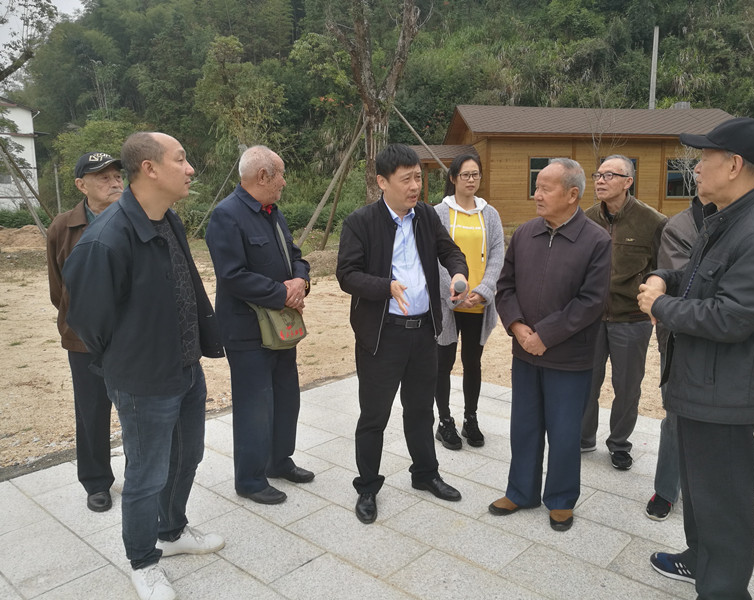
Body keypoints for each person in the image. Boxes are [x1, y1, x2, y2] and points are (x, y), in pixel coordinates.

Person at [63, 132, 226, 600]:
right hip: (142, 379)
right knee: (146, 475)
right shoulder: (106, 240)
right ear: (150, 169)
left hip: (185, 367)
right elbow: (88, 322)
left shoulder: (166, 219)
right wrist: (128, 358)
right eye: (181, 159)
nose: (190, 168)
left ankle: (171, 531)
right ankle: (143, 560)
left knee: (188, 456)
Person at [638, 117, 754, 598]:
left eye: (705, 157)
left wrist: (659, 306)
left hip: (726, 393)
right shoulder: (727, 217)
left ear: (733, 165)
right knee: (702, 493)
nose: (696, 167)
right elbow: (700, 279)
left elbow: (733, 316)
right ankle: (698, 559)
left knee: (723, 506)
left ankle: (723, 588)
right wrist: (665, 277)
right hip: (702, 384)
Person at [336, 143, 469, 524]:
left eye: (418, 178)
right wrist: (385, 286)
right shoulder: (360, 222)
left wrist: (458, 274)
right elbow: (347, 274)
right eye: (406, 179)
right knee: (374, 415)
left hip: (423, 332)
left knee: (421, 409)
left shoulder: (425, 215)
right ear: (382, 182)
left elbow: (450, 251)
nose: (415, 186)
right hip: (383, 336)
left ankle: (425, 473)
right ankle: (367, 486)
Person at [489, 158, 611, 532]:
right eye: (536, 186)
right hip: (525, 352)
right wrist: (518, 327)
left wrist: (545, 335)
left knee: (564, 432)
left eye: (545, 188)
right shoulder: (525, 234)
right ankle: (521, 491)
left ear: (572, 194)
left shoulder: (596, 241)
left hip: (569, 357)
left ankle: (560, 499)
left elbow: (591, 301)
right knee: (524, 426)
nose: (536, 195)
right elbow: (505, 286)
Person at [205, 146, 313, 506]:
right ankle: (250, 480)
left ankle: (278, 461)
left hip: (281, 328)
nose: (284, 182)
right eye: (280, 174)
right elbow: (232, 275)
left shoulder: (272, 212)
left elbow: (295, 256)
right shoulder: (227, 215)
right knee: (255, 405)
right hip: (247, 330)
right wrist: (283, 293)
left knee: (286, 397)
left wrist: (300, 281)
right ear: (262, 176)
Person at [46, 152, 123, 513]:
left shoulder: (136, 217)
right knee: (91, 411)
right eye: (103, 177)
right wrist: (79, 321)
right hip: (83, 338)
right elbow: (57, 288)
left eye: (116, 175)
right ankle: (96, 482)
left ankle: (144, 476)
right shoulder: (63, 227)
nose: (114, 182)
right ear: (81, 185)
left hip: (131, 336)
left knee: (139, 409)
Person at [581, 154, 666, 470]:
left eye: (609, 175)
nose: (600, 180)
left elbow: (663, 270)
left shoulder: (653, 221)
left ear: (628, 181)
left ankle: (619, 444)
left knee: (627, 388)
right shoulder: (586, 218)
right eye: (598, 175)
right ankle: (583, 437)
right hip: (591, 318)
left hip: (631, 319)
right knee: (585, 382)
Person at [645, 195, 716, 522]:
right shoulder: (680, 226)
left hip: (726, 337)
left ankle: (704, 487)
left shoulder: (749, 220)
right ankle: (666, 489)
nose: (700, 173)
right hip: (680, 336)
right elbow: (687, 283)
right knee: (676, 415)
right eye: (698, 171)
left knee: (718, 419)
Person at [433, 154, 503, 450]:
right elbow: (434, 255)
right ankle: (444, 421)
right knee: (443, 362)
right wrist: (453, 293)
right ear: (453, 178)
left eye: (476, 174)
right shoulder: (439, 212)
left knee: (472, 362)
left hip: (478, 302)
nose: (471, 180)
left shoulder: (490, 214)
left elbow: (498, 254)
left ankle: (470, 418)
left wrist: (484, 290)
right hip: (447, 302)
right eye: (465, 175)